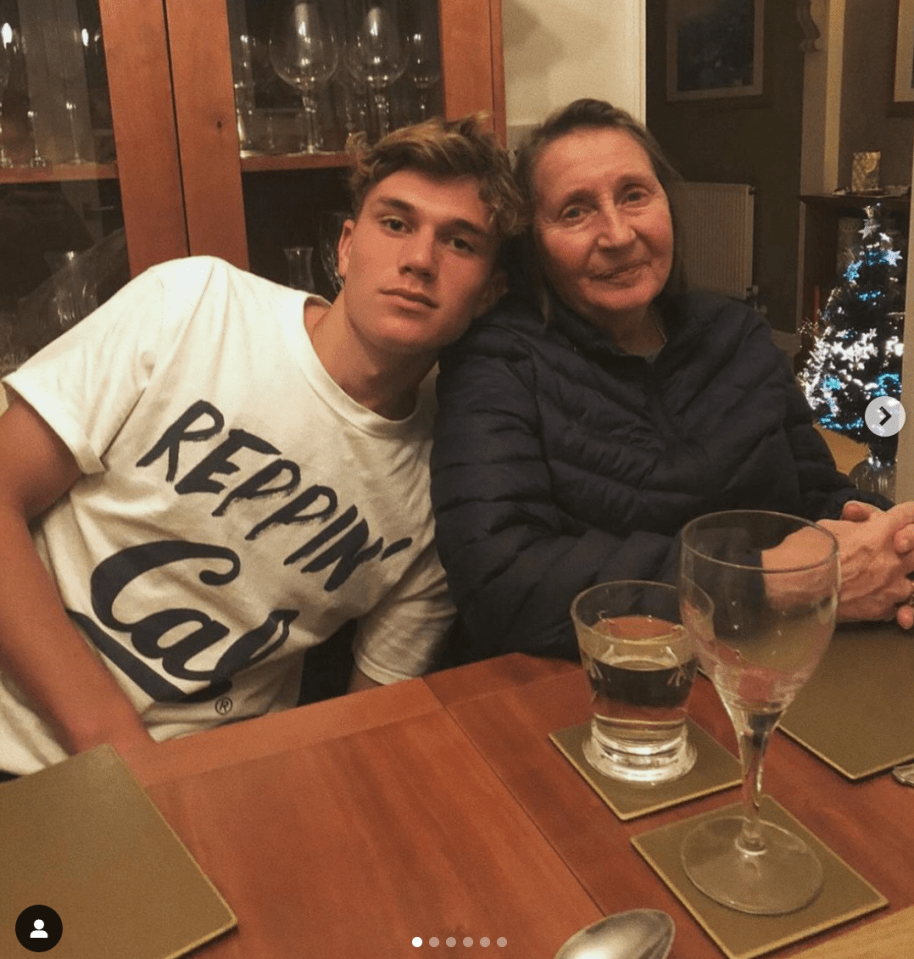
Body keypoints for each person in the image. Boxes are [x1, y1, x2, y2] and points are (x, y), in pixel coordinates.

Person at [0, 114, 524, 776]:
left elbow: (368, 724)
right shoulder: (195, 306)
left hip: (219, 779)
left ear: (489, 295)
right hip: (22, 742)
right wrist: (119, 749)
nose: (419, 260)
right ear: (345, 245)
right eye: (396, 223)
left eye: (460, 242)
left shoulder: (446, 482)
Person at [430, 98, 914, 665]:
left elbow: (811, 494)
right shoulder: (497, 359)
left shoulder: (737, 334)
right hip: (588, 691)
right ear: (532, 243)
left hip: (770, 664)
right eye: (575, 211)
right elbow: (501, 579)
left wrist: (889, 546)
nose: (617, 234)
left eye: (634, 195)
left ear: (667, 204)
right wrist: (761, 581)